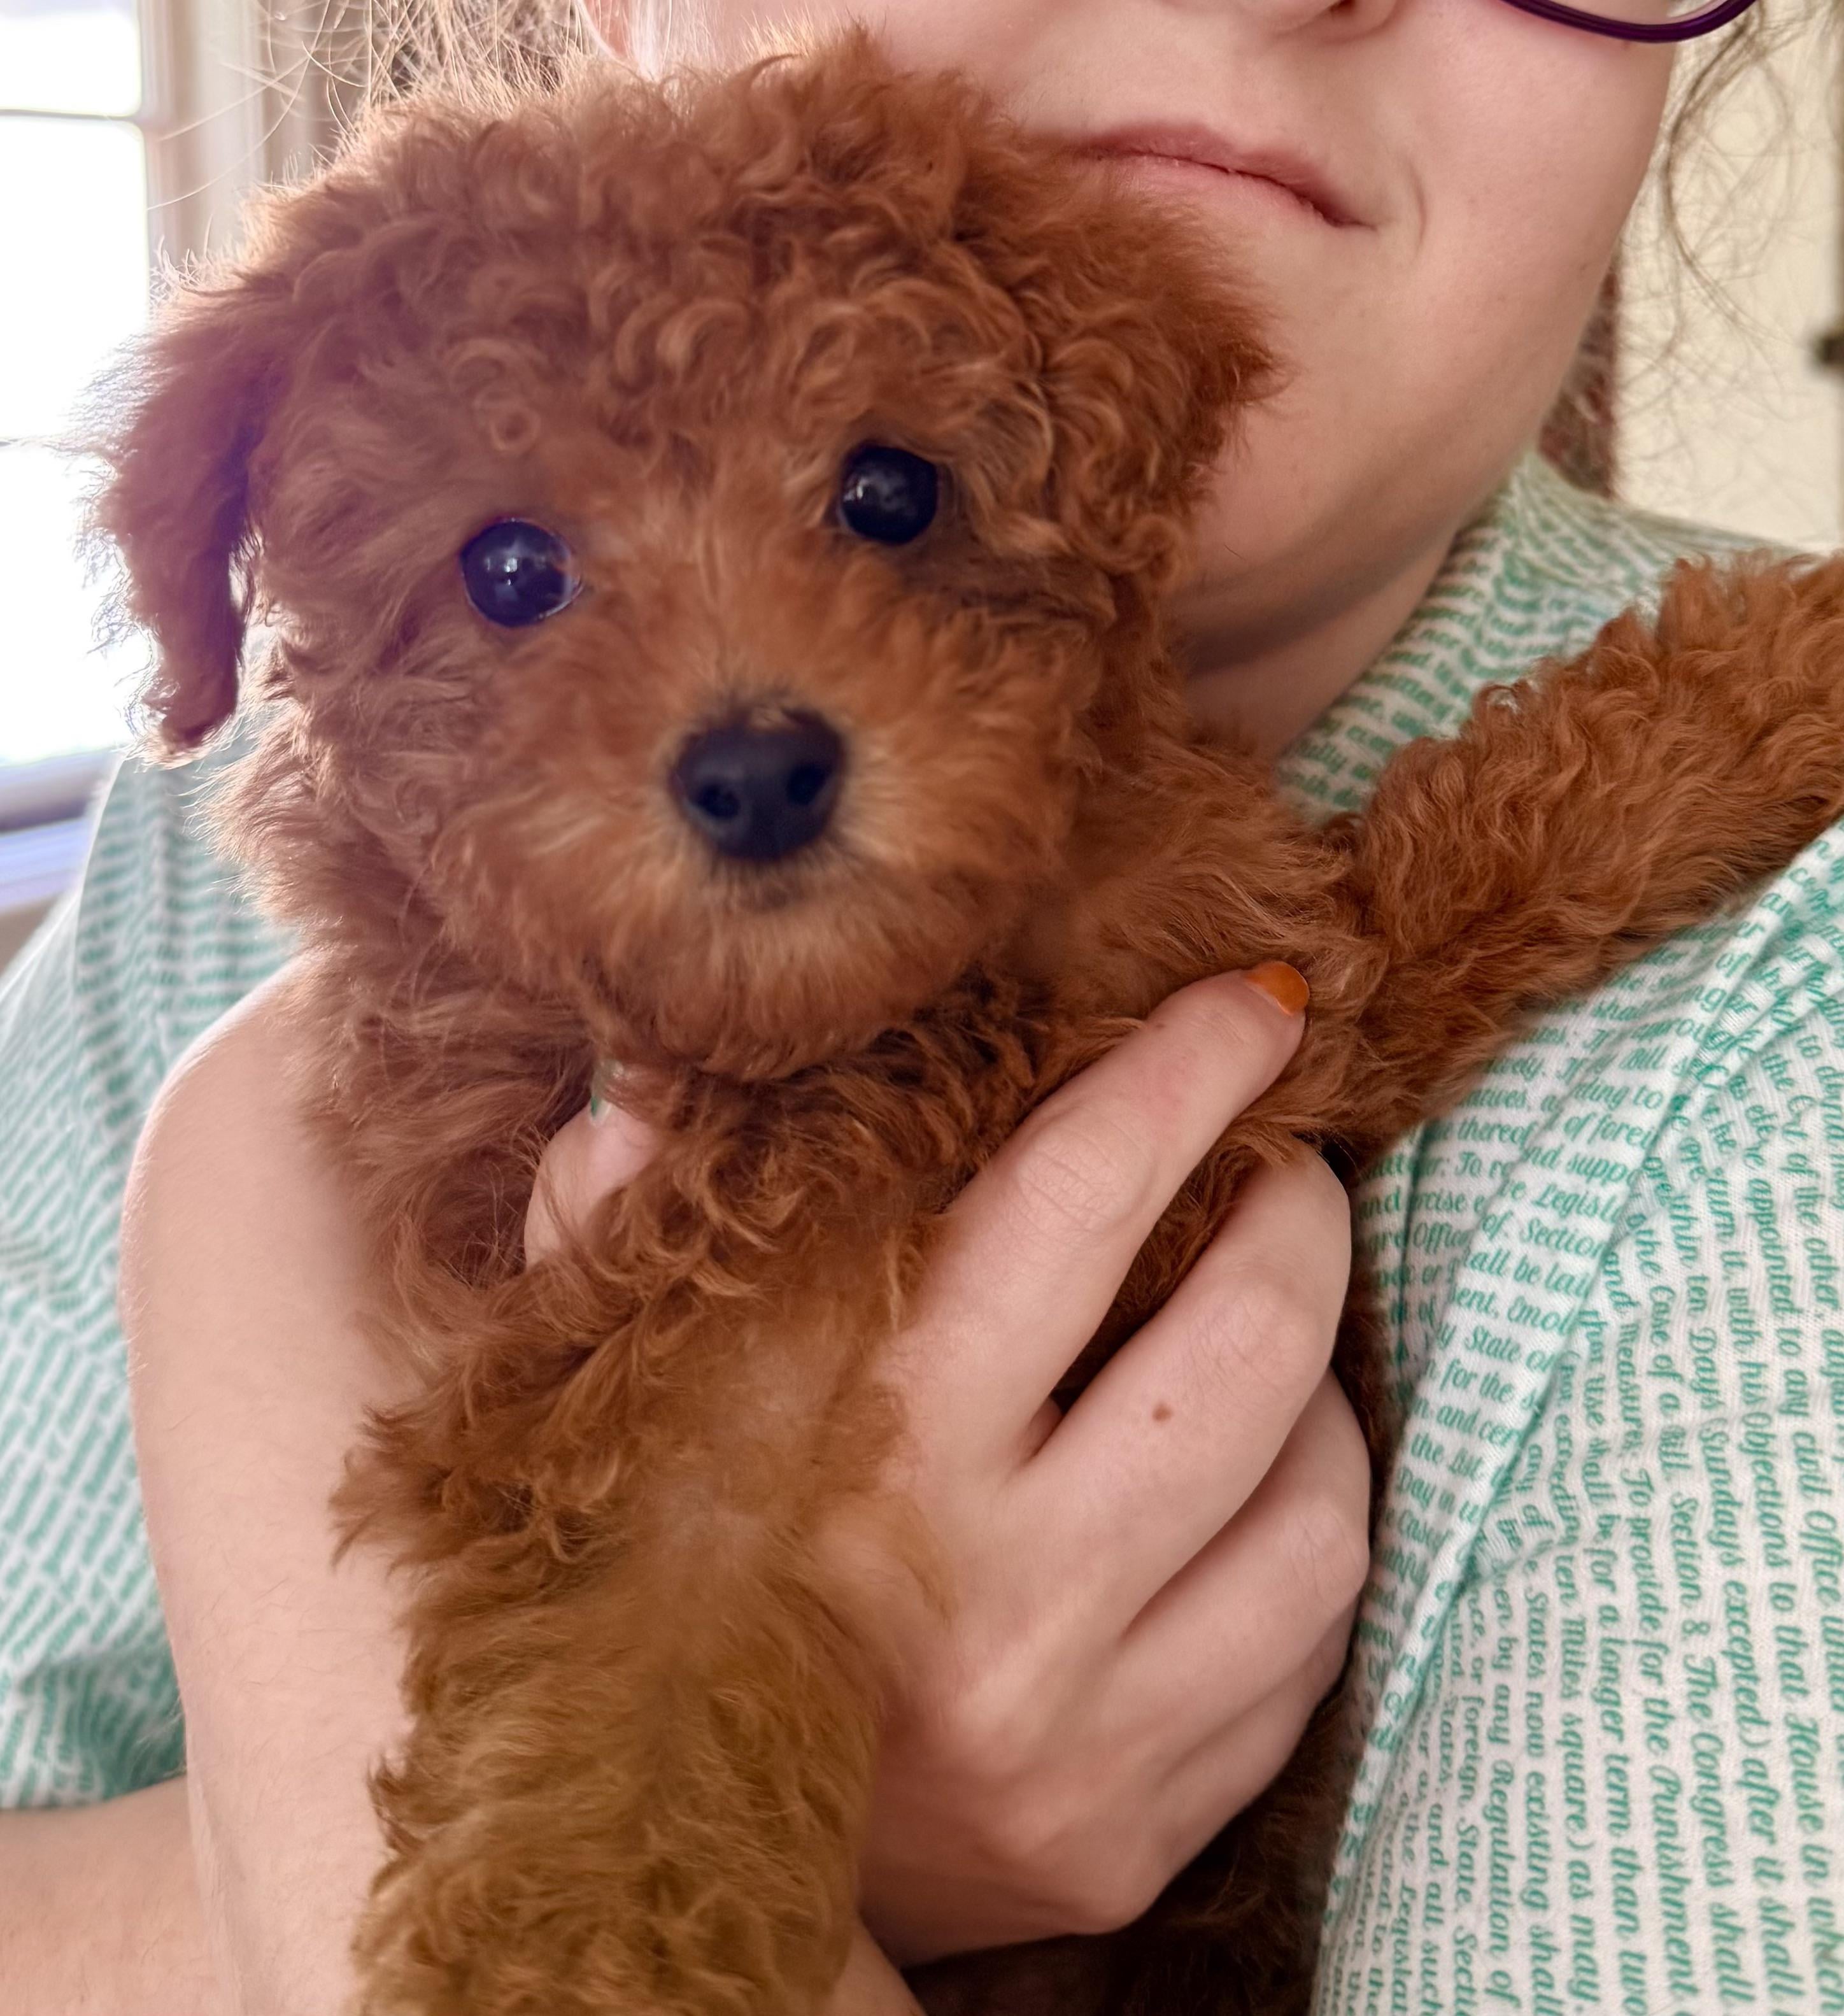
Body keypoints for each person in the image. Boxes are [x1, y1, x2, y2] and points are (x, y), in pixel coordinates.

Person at [2, 0, 1838, 2008]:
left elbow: (1378, 955)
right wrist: (794, 1818)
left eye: (881, 504)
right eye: (521, 572)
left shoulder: (1770, 1031)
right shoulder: (185, 904)